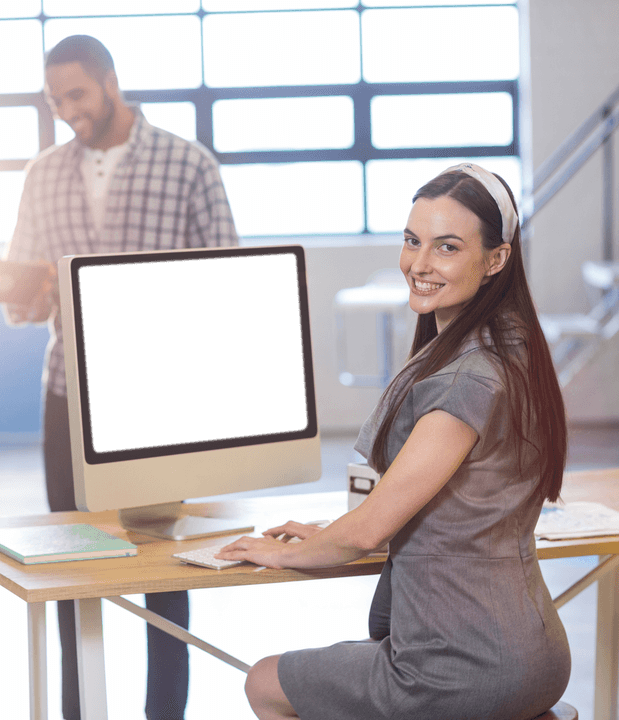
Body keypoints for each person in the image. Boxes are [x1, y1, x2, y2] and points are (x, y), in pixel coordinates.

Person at [217, 163, 572, 720]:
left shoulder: (465, 381)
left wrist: (279, 551)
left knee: (265, 680)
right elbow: (442, 510)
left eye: (447, 247)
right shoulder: (513, 345)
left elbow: (370, 529)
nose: (419, 264)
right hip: (537, 653)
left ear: (496, 258)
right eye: (412, 241)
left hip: (465, 666)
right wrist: (327, 535)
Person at [3, 34, 239, 720]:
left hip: (159, 401)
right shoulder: (42, 174)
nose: (68, 110)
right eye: (55, 101)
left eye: (77, 95)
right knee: (70, 569)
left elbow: (225, 281)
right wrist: (14, 289)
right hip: (66, 394)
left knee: (167, 574)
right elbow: (28, 300)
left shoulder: (188, 163)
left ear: (111, 82)